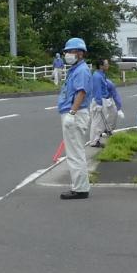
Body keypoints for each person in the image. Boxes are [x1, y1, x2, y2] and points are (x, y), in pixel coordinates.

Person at [57, 38, 95, 200]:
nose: (67, 54)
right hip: (75, 113)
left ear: (79, 53)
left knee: (75, 152)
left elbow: (81, 92)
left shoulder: (81, 71)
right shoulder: (76, 69)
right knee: (74, 151)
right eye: (67, 52)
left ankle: (80, 188)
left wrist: (72, 113)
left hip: (76, 113)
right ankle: (79, 186)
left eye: (70, 51)